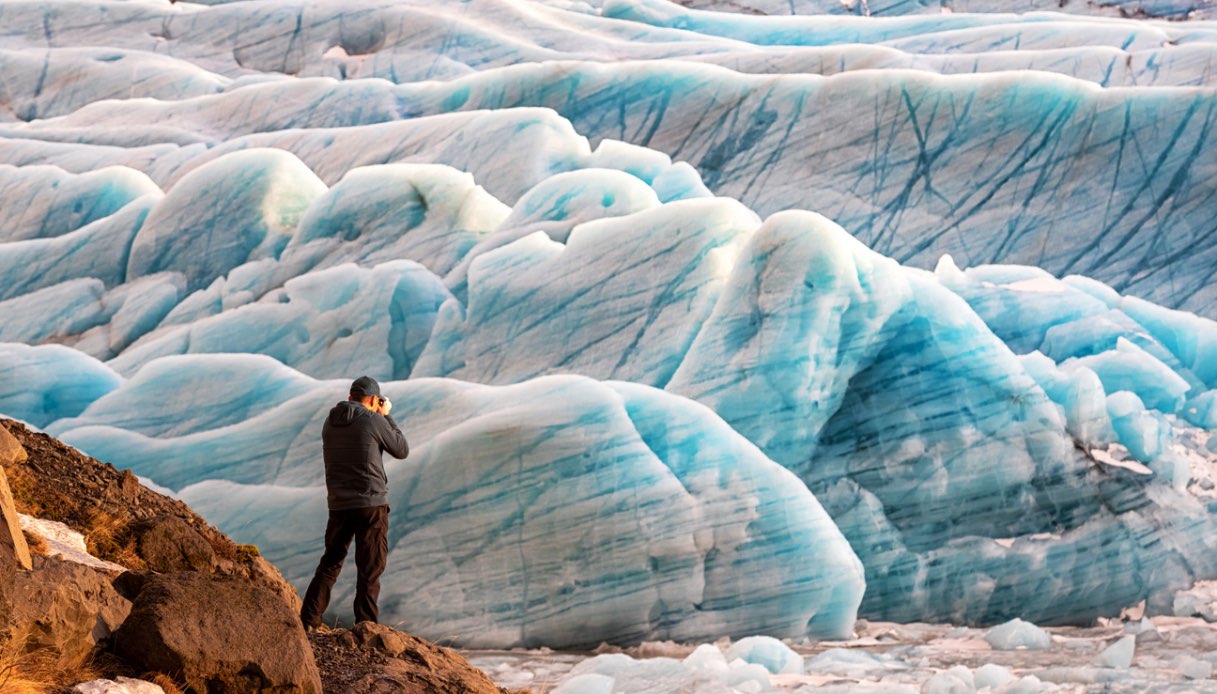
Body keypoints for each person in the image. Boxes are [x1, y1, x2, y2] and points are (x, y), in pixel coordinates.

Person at [300, 375, 409, 631]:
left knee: (331, 562)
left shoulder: (330, 422)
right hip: (371, 504)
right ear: (373, 400)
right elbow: (401, 449)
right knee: (370, 569)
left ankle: (308, 621)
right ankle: (366, 628)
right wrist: (386, 416)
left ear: (350, 397)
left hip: (339, 504)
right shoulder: (373, 420)